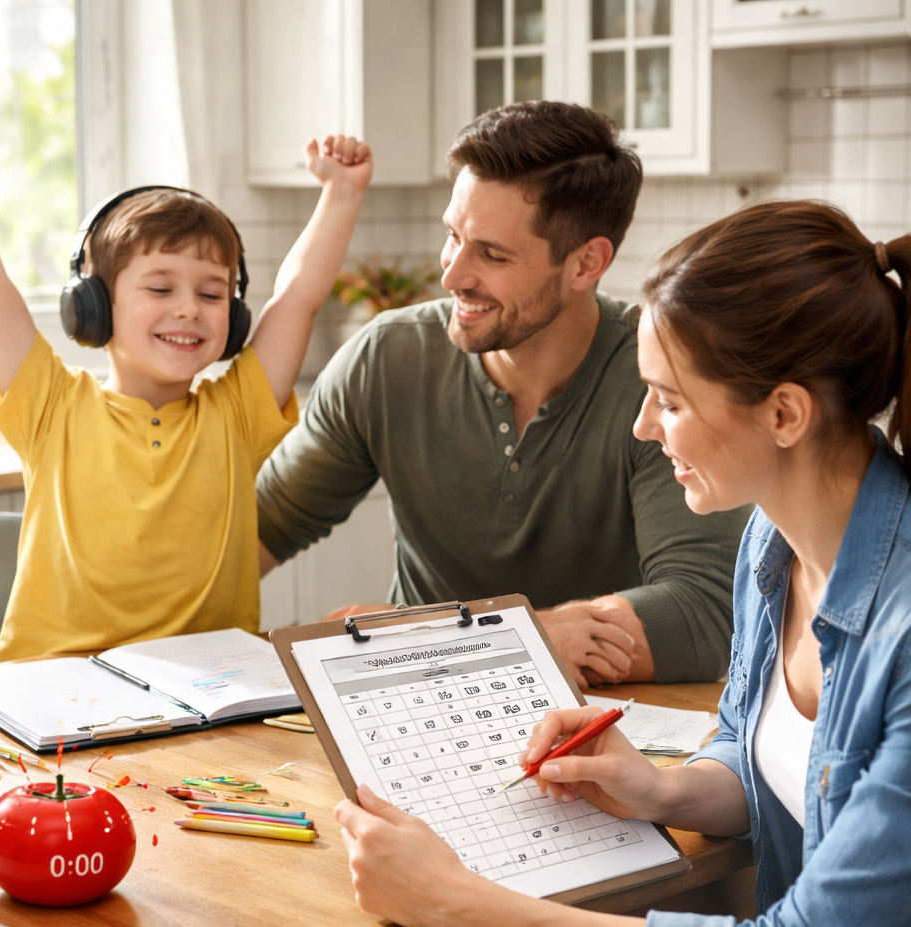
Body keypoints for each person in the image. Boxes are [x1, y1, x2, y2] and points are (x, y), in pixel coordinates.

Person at [334, 201, 911, 927]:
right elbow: (770, 764)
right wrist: (660, 791)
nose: (644, 428)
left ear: (785, 414)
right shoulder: (769, 546)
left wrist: (457, 900)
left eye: (669, 402)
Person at [257, 101, 750, 687]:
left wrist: (427, 637)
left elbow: (706, 614)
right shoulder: (387, 358)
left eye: (491, 254)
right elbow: (254, 537)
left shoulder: (661, 380)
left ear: (586, 263)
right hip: (415, 717)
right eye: (453, 237)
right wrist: (515, 637)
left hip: (618, 740)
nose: (453, 274)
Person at [0, 115, 372, 661]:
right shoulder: (51, 406)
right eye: (161, 287)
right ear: (91, 308)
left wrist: (341, 192)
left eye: (213, 295)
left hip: (207, 690)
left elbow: (298, 297)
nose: (189, 307)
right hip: (56, 689)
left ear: (235, 320)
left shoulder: (238, 413)